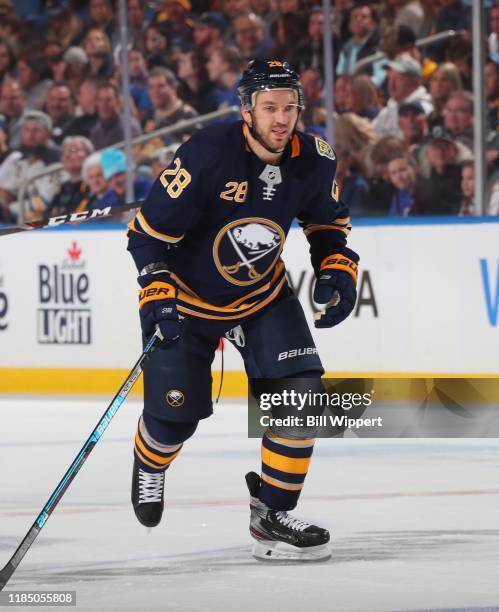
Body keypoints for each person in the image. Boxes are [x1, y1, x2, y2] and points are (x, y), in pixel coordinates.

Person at [126, 59, 359, 561]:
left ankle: (271, 513)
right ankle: (150, 463)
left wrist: (337, 266)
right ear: (247, 110)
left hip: (260, 295)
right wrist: (158, 290)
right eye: (269, 107)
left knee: (300, 394)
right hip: (187, 300)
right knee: (174, 421)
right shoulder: (205, 155)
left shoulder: (314, 157)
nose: (281, 118)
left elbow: (327, 223)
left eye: (289, 107)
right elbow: (146, 238)